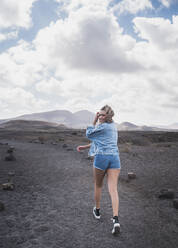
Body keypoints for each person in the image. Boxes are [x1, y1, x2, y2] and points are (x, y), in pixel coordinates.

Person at [77, 105, 121, 235]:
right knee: (113, 189)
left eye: (102, 115)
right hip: (115, 158)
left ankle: (97, 210)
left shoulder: (101, 126)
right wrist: (85, 147)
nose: (100, 116)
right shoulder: (113, 127)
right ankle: (116, 220)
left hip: (102, 157)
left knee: (98, 185)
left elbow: (89, 134)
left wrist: (94, 119)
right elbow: (99, 140)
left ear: (107, 116)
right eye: (99, 114)